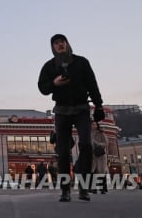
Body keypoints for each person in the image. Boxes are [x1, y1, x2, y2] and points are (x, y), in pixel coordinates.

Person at [38, 34, 105, 202]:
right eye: (56, 43)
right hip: (61, 110)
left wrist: (98, 105)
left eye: (62, 42)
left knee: (86, 145)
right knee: (62, 151)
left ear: (67, 44)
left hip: (81, 108)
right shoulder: (49, 66)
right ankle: (65, 190)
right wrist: (54, 83)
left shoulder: (81, 62)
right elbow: (42, 87)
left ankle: (84, 187)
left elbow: (92, 84)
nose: (59, 45)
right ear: (52, 47)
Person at [90, 121, 109, 194]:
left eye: (94, 124)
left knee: (101, 171)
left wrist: (97, 143)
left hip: (100, 154)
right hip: (92, 154)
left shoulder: (101, 133)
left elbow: (106, 143)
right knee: (93, 171)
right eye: (92, 125)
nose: (93, 126)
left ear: (97, 125)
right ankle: (93, 188)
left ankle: (103, 188)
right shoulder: (89, 133)